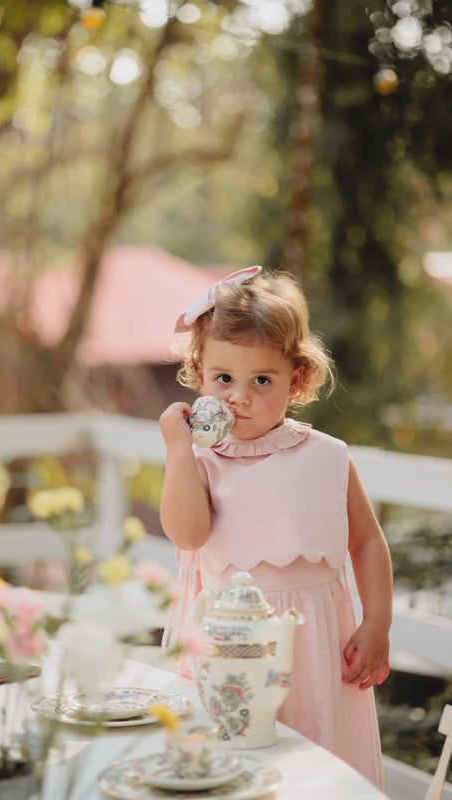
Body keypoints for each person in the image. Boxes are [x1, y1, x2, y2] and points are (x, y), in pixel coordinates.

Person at [159, 265, 393, 789]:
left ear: (298, 379)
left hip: (318, 650)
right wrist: (179, 450)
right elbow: (187, 536)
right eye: (223, 379)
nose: (238, 397)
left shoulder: (329, 457)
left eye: (260, 380)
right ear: (200, 376)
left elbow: (367, 539)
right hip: (234, 650)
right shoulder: (202, 461)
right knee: (241, 767)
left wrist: (377, 621)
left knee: (320, 767)